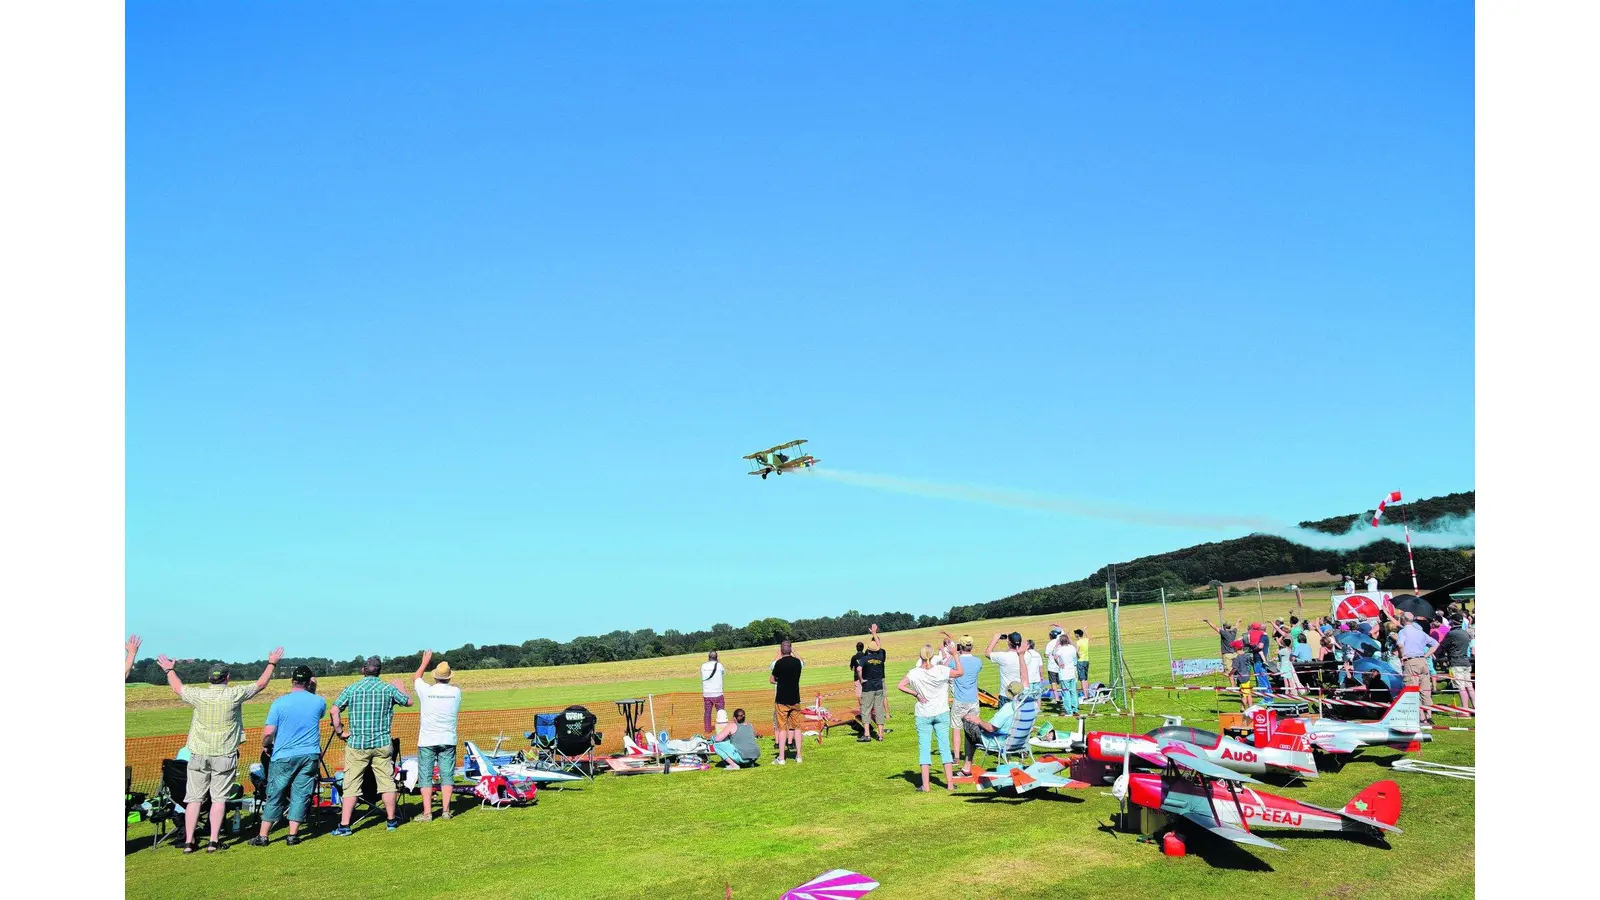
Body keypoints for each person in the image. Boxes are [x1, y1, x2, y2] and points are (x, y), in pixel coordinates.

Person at [157, 647, 284, 853]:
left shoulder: (199, 695)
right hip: (224, 754)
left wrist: (169, 670)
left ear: (209, 678)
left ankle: (189, 841)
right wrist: (272, 663)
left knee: (193, 799)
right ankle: (213, 841)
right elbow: (261, 684)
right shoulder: (233, 694)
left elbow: (178, 688)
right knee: (218, 799)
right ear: (227, 677)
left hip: (198, 754)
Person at [330, 656, 413, 835]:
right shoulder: (388, 688)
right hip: (382, 743)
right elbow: (408, 702)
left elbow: (334, 710)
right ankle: (391, 820)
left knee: (351, 784)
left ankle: (345, 825)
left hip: (357, 744)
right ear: (379, 671)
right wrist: (402, 689)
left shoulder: (352, 688)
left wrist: (340, 732)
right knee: (387, 782)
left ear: (363, 670)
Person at [249, 664, 325, 846]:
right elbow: (317, 709)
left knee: (275, 794)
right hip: (309, 755)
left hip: (283, 755)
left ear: (292, 681)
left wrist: (266, 745)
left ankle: (264, 835)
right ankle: (292, 835)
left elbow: (268, 733)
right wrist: (312, 688)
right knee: (301, 794)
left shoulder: (279, 703)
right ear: (309, 682)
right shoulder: (319, 701)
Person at [898, 644, 964, 792]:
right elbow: (960, 672)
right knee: (945, 747)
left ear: (920, 656)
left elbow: (900, 685)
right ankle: (950, 784)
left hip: (923, 714)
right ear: (933, 656)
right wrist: (955, 655)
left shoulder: (914, 673)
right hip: (941, 713)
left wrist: (916, 694)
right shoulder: (941, 670)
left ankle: (926, 786)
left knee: (924, 748)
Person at [412, 650, 461, 822]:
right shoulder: (456, 692)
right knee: (447, 775)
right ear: (449, 677)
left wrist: (425, 662)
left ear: (435, 677)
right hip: (448, 739)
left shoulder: (426, 690)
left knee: (425, 776)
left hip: (427, 740)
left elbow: (417, 678)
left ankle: (427, 813)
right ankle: (446, 811)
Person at [956, 680, 1025, 776]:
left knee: (968, 723)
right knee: (971, 728)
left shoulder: (1008, 708)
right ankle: (967, 767)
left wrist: (978, 720)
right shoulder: (1026, 708)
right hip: (1019, 742)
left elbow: (991, 728)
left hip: (997, 740)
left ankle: (967, 767)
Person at [942, 633, 983, 761]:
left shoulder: (955, 661)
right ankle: (969, 757)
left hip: (959, 700)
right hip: (973, 700)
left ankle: (956, 757)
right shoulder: (978, 661)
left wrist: (952, 654)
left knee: (956, 728)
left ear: (960, 646)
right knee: (972, 729)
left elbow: (943, 668)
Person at [1394, 613, 1440, 723]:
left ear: (1403, 620)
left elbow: (1400, 645)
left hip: (1411, 661)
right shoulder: (1420, 632)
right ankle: (1429, 714)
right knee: (1425, 690)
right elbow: (1436, 644)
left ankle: (1421, 717)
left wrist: (1402, 655)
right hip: (1423, 662)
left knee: (1413, 689)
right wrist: (1426, 655)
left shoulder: (1403, 631)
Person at [769, 640, 804, 765]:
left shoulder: (778, 663)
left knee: (782, 728)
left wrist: (780, 679)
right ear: (791, 649)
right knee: (797, 727)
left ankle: (782, 758)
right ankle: (799, 755)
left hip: (782, 700)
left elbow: (772, 680)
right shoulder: (797, 663)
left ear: (781, 650)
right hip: (795, 698)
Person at [854, 624, 888, 742]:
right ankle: (880, 735)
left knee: (866, 709)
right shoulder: (881, 656)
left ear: (868, 649)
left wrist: (861, 679)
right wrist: (874, 633)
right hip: (878, 686)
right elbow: (879, 646)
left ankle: (867, 734)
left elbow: (858, 669)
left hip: (868, 687)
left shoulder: (864, 659)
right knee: (879, 710)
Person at [1439, 615, 1475, 709]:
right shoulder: (1465, 633)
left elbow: (1442, 646)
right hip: (1466, 662)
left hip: (1456, 662)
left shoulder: (1452, 633)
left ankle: (1465, 711)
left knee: (1461, 687)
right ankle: (1475, 707)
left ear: (1452, 621)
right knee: (1469, 686)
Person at [984, 632, 1027, 700]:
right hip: (1021, 692)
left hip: (1006, 694)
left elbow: (987, 653)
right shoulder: (1025, 655)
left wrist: (995, 639)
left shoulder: (1003, 656)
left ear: (1009, 642)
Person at [1048, 630, 1080, 714]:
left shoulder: (1060, 650)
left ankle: (1069, 710)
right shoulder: (1072, 648)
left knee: (1066, 692)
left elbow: (1054, 656)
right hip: (1072, 672)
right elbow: (1077, 653)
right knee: (1073, 691)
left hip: (1064, 673)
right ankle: (1075, 708)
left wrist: (1058, 663)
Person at [701, 650, 726, 733]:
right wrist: (718, 662)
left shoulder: (703, 666)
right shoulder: (719, 665)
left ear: (708, 657)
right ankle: (722, 729)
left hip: (707, 693)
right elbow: (723, 673)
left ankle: (707, 729)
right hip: (718, 693)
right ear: (716, 658)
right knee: (721, 712)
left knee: (707, 712)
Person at [1073, 628, 1090, 694]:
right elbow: (1088, 637)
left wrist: (1078, 656)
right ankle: (1088, 694)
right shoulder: (1085, 640)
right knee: (1085, 678)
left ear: (1077, 635)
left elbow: (1076, 651)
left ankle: (1085, 696)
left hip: (1080, 661)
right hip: (1086, 660)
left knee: (1082, 679)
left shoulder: (1078, 642)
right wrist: (1085, 630)